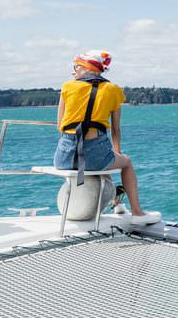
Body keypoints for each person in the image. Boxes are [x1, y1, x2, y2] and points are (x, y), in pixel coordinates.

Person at [54, 49, 146, 215]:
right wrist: (118, 152)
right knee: (123, 161)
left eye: (76, 67)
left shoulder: (67, 87)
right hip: (94, 156)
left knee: (102, 158)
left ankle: (116, 202)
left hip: (64, 158)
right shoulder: (113, 90)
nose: (73, 71)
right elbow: (116, 129)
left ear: (86, 68)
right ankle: (137, 211)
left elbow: (60, 125)